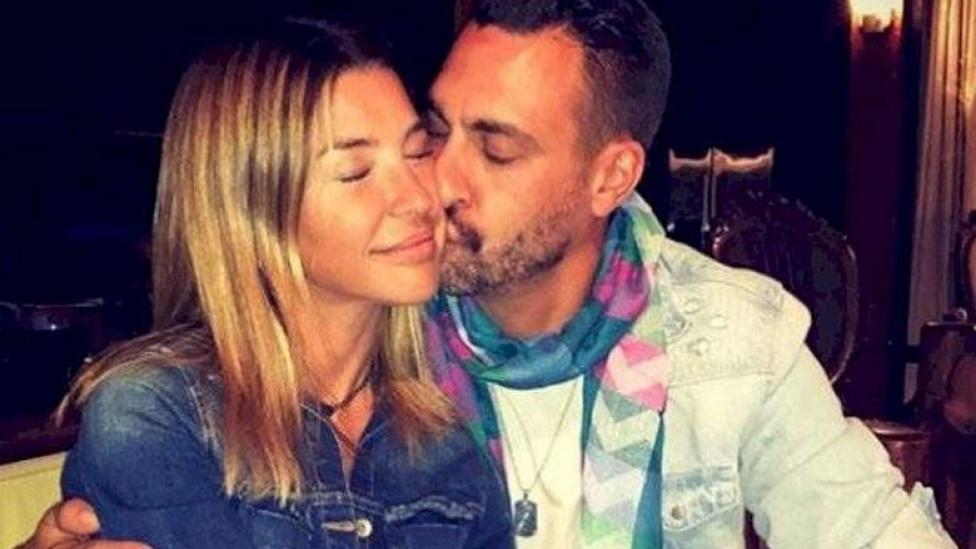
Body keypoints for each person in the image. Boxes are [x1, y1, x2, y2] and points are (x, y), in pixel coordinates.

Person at [25, 0, 958, 547]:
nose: (434, 184)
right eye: (436, 131)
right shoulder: (369, 328)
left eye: (497, 148)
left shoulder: (732, 339)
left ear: (610, 177)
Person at [31, 18, 511, 549]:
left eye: (418, 152)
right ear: (252, 207)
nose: (419, 198)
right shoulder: (158, 412)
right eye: (355, 172)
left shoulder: (447, 444)